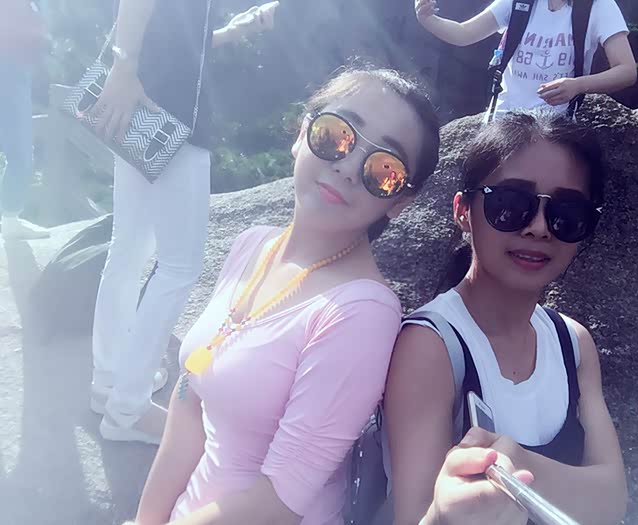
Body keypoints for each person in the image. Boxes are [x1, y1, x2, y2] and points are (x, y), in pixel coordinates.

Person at [131, 67, 441, 525]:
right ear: (302, 133)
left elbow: (279, 501)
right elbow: (189, 404)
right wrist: (146, 518)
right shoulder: (253, 247)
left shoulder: (361, 312)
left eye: (384, 170)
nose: (348, 167)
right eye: (336, 134)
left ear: (400, 202)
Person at [384, 110, 628, 524]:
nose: (539, 227)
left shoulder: (573, 342)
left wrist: (515, 464)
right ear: (463, 211)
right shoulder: (431, 346)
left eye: (567, 213)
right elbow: (414, 516)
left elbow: (612, 500)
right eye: (511, 204)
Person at [90, 0, 276, 445]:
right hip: (171, 113)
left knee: (129, 246)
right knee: (178, 266)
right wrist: (122, 65)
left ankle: (110, 381)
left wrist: (232, 32)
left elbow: (179, 32)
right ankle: (128, 409)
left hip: (143, 101)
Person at [415, 0, 637, 115]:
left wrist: (577, 85)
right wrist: (428, 19)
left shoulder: (598, 6)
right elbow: (464, 34)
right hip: (505, 118)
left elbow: (626, 71)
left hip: (556, 125)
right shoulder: (519, 2)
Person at [0, 0, 50, 239]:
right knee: (20, 150)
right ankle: (10, 220)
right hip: (9, 70)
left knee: (20, 150)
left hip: (18, 71)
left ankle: (11, 219)